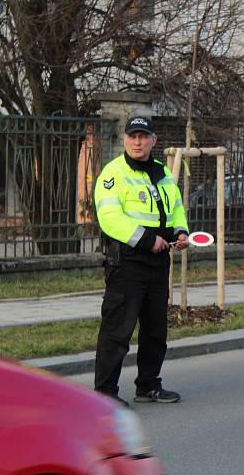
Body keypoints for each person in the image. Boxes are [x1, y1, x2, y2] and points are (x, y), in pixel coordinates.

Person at [93, 116, 189, 405]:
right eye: (133, 136)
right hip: (128, 262)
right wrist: (148, 240)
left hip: (159, 262)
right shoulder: (113, 174)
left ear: (153, 141)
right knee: (117, 330)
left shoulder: (161, 172)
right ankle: (105, 393)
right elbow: (110, 218)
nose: (138, 142)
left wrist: (180, 232)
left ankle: (148, 385)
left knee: (155, 329)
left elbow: (175, 208)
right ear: (124, 140)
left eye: (143, 136)